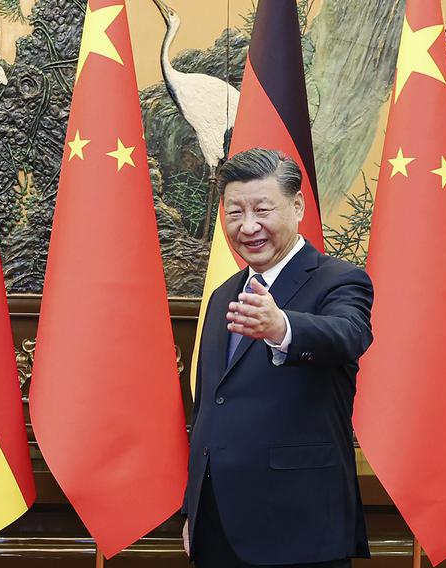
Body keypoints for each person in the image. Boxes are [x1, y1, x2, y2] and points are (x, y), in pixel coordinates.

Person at [182, 148, 373, 567]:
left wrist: (282, 327)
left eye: (262, 210)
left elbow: (349, 335)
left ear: (298, 205)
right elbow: (211, 406)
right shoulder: (222, 295)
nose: (248, 227)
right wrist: (194, 508)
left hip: (299, 527)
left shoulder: (339, 280)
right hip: (216, 526)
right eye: (235, 212)